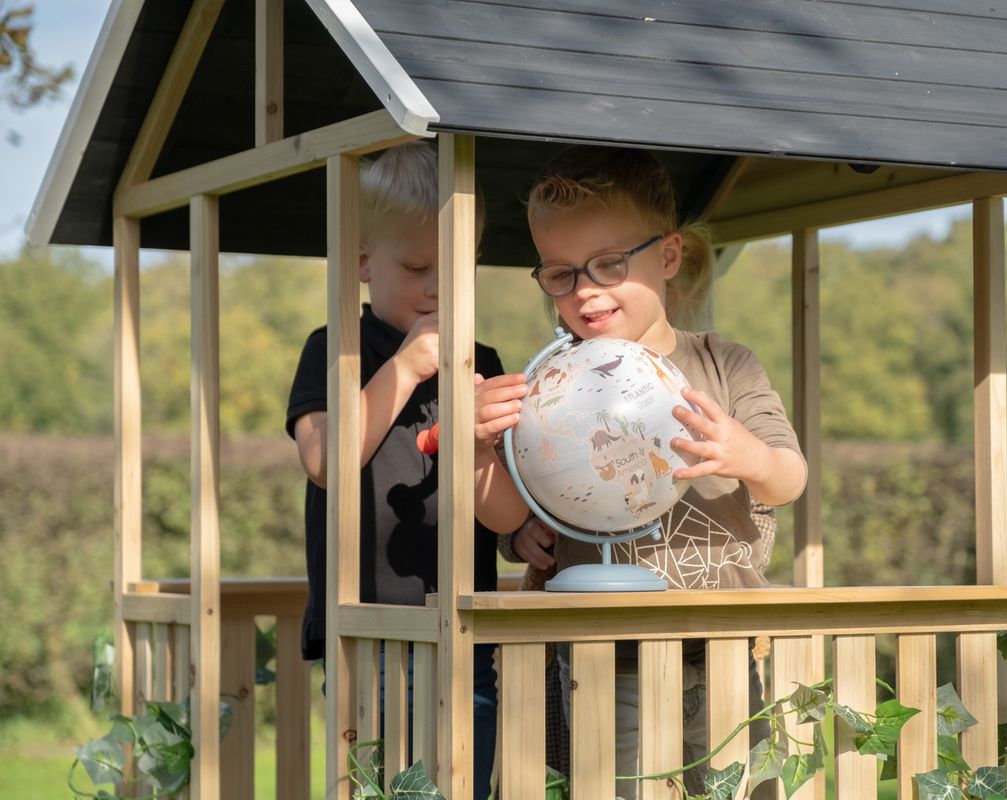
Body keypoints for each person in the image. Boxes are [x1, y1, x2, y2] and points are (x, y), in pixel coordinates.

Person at [473, 146, 808, 798]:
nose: (586, 290)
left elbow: (790, 479)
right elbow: (512, 516)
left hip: (725, 652)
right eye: (561, 274)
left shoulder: (725, 365)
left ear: (669, 256)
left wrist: (753, 458)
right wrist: (480, 452)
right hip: (608, 658)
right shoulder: (552, 386)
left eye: (608, 264)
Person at [285, 141, 503, 800]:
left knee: (466, 782)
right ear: (360, 264)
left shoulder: (481, 358)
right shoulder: (337, 348)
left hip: (468, 631)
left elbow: (504, 491)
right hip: (370, 633)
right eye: (416, 266)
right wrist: (405, 367)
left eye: (457, 267)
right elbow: (326, 459)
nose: (439, 288)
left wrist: (519, 529)